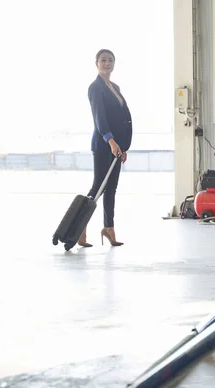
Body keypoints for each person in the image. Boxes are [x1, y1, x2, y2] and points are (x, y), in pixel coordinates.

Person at [78, 49, 133, 247]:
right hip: (104, 145)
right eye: (103, 60)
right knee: (98, 187)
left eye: (110, 60)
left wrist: (122, 146)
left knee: (111, 189)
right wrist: (110, 141)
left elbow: (121, 118)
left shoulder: (115, 86)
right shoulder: (95, 87)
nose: (107, 63)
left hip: (117, 147)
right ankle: (79, 227)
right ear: (96, 63)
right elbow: (99, 118)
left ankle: (109, 228)